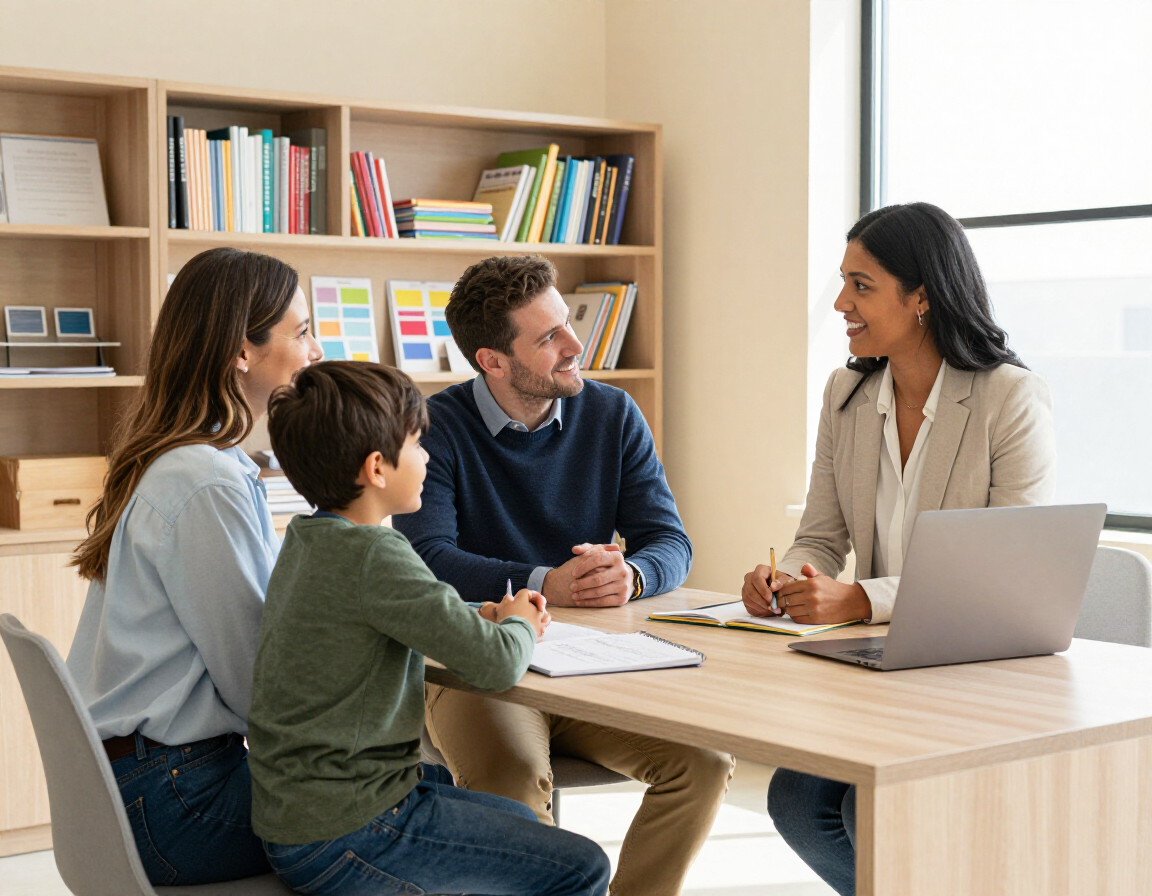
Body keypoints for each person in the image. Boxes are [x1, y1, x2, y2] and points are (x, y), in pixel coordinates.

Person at [393, 254, 734, 896]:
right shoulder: (433, 429)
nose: (577, 344)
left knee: (705, 762)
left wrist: (631, 575)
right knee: (516, 774)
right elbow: (427, 558)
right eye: (549, 336)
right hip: (479, 663)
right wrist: (543, 581)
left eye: (568, 323)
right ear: (492, 360)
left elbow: (671, 541)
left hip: (593, 663)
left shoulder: (612, 414)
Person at [745, 203, 1057, 896]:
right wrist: (789, 578)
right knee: (797, 802)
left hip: (978, 669)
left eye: (862, 285)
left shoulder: (1009, 398)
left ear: (921, 296)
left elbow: (1005, 568)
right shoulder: (847, 392)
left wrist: (858, 598)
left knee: (868, 808)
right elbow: (821, 532)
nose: (840, 303)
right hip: (879, 663)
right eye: (843, 282)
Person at [248, 360, 610, 896]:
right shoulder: (378, 553)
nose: (427, 457)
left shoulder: (309, 540)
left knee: (526, 825)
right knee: (583, 866)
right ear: (377, 468)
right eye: (418, 444)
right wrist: (522, 624)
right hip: (353, 829)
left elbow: (400, 611)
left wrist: (479, 614)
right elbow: (495, 663)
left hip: (303, 818)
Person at [67, 248, 323, 886]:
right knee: (409, 809)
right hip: (175, 799)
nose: (315, 351)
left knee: (410, 797)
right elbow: (257, 685)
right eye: (302, 332)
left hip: (143, 783)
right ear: (243, 352)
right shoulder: (206, 480)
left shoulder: (184, 460)